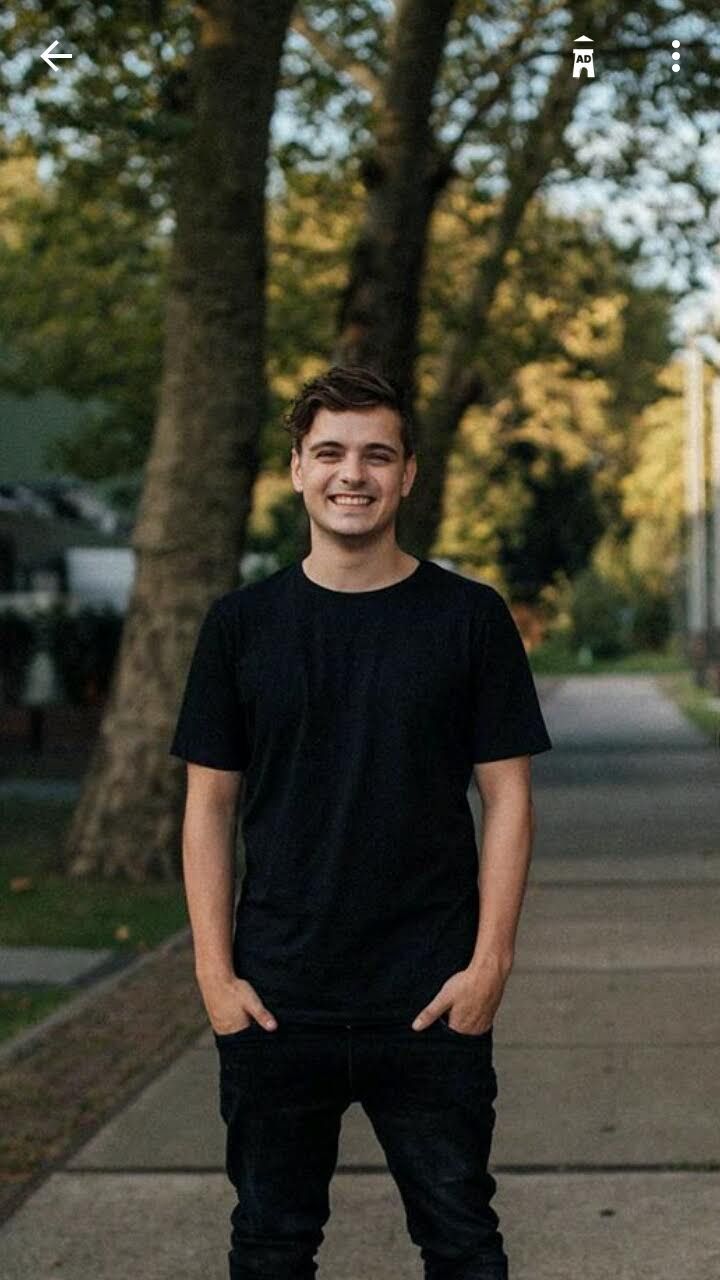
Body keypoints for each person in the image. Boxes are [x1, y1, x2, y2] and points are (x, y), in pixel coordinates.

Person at [169, 364, 553, 1280]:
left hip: (429, 996)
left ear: (409, 474)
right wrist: (215, 976)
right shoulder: (240, 626)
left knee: (463, 1243)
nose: (355, 474)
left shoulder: (470, 618)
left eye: (378, 454)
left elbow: (508, 798)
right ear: (297, 469)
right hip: (276, 997)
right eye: (331, 453)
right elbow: (209, 807)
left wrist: (489, 964)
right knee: (270, 1248)